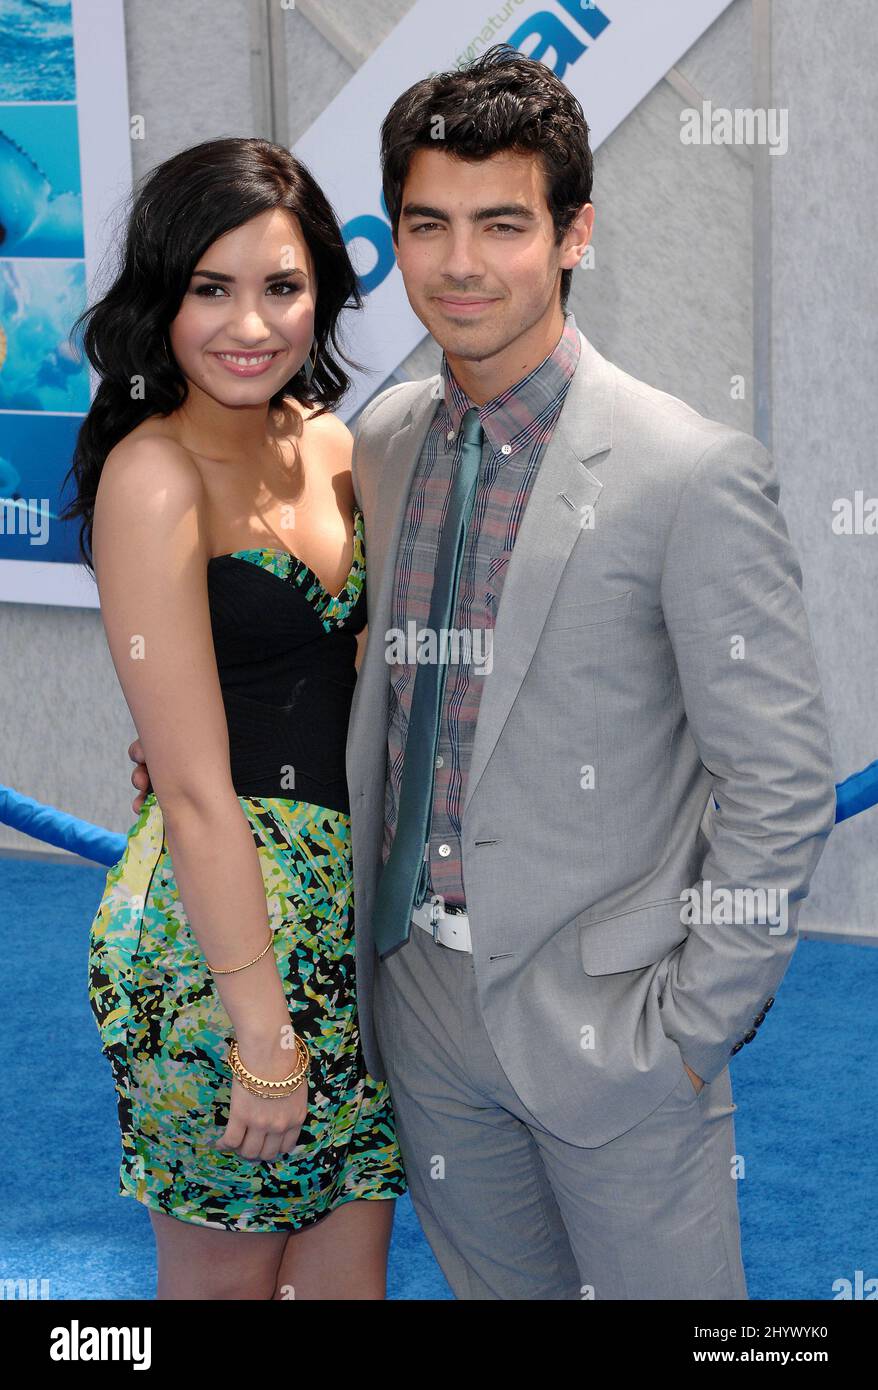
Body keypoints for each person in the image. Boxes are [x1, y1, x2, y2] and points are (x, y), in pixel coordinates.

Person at [131, 47, 837, 1300]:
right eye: (427, 224)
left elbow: (777, 788)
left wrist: (686, 1034)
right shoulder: (382, 441)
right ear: (393, 237)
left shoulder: (689, 473)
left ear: (573, 234)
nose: (459, 264)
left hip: (614, 1029)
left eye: (501, 223)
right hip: (417, 1013)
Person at [66, 137, 406, 1301]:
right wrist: (260, 1027)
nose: (247, 324)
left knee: (344, 1286)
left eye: (280, 286)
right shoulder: (151, 477)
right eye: (209, 288)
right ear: (161, 298)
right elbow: (199, 787)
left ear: (322, 289)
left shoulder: (336, 446)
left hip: (347, 926)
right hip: (220, 945)